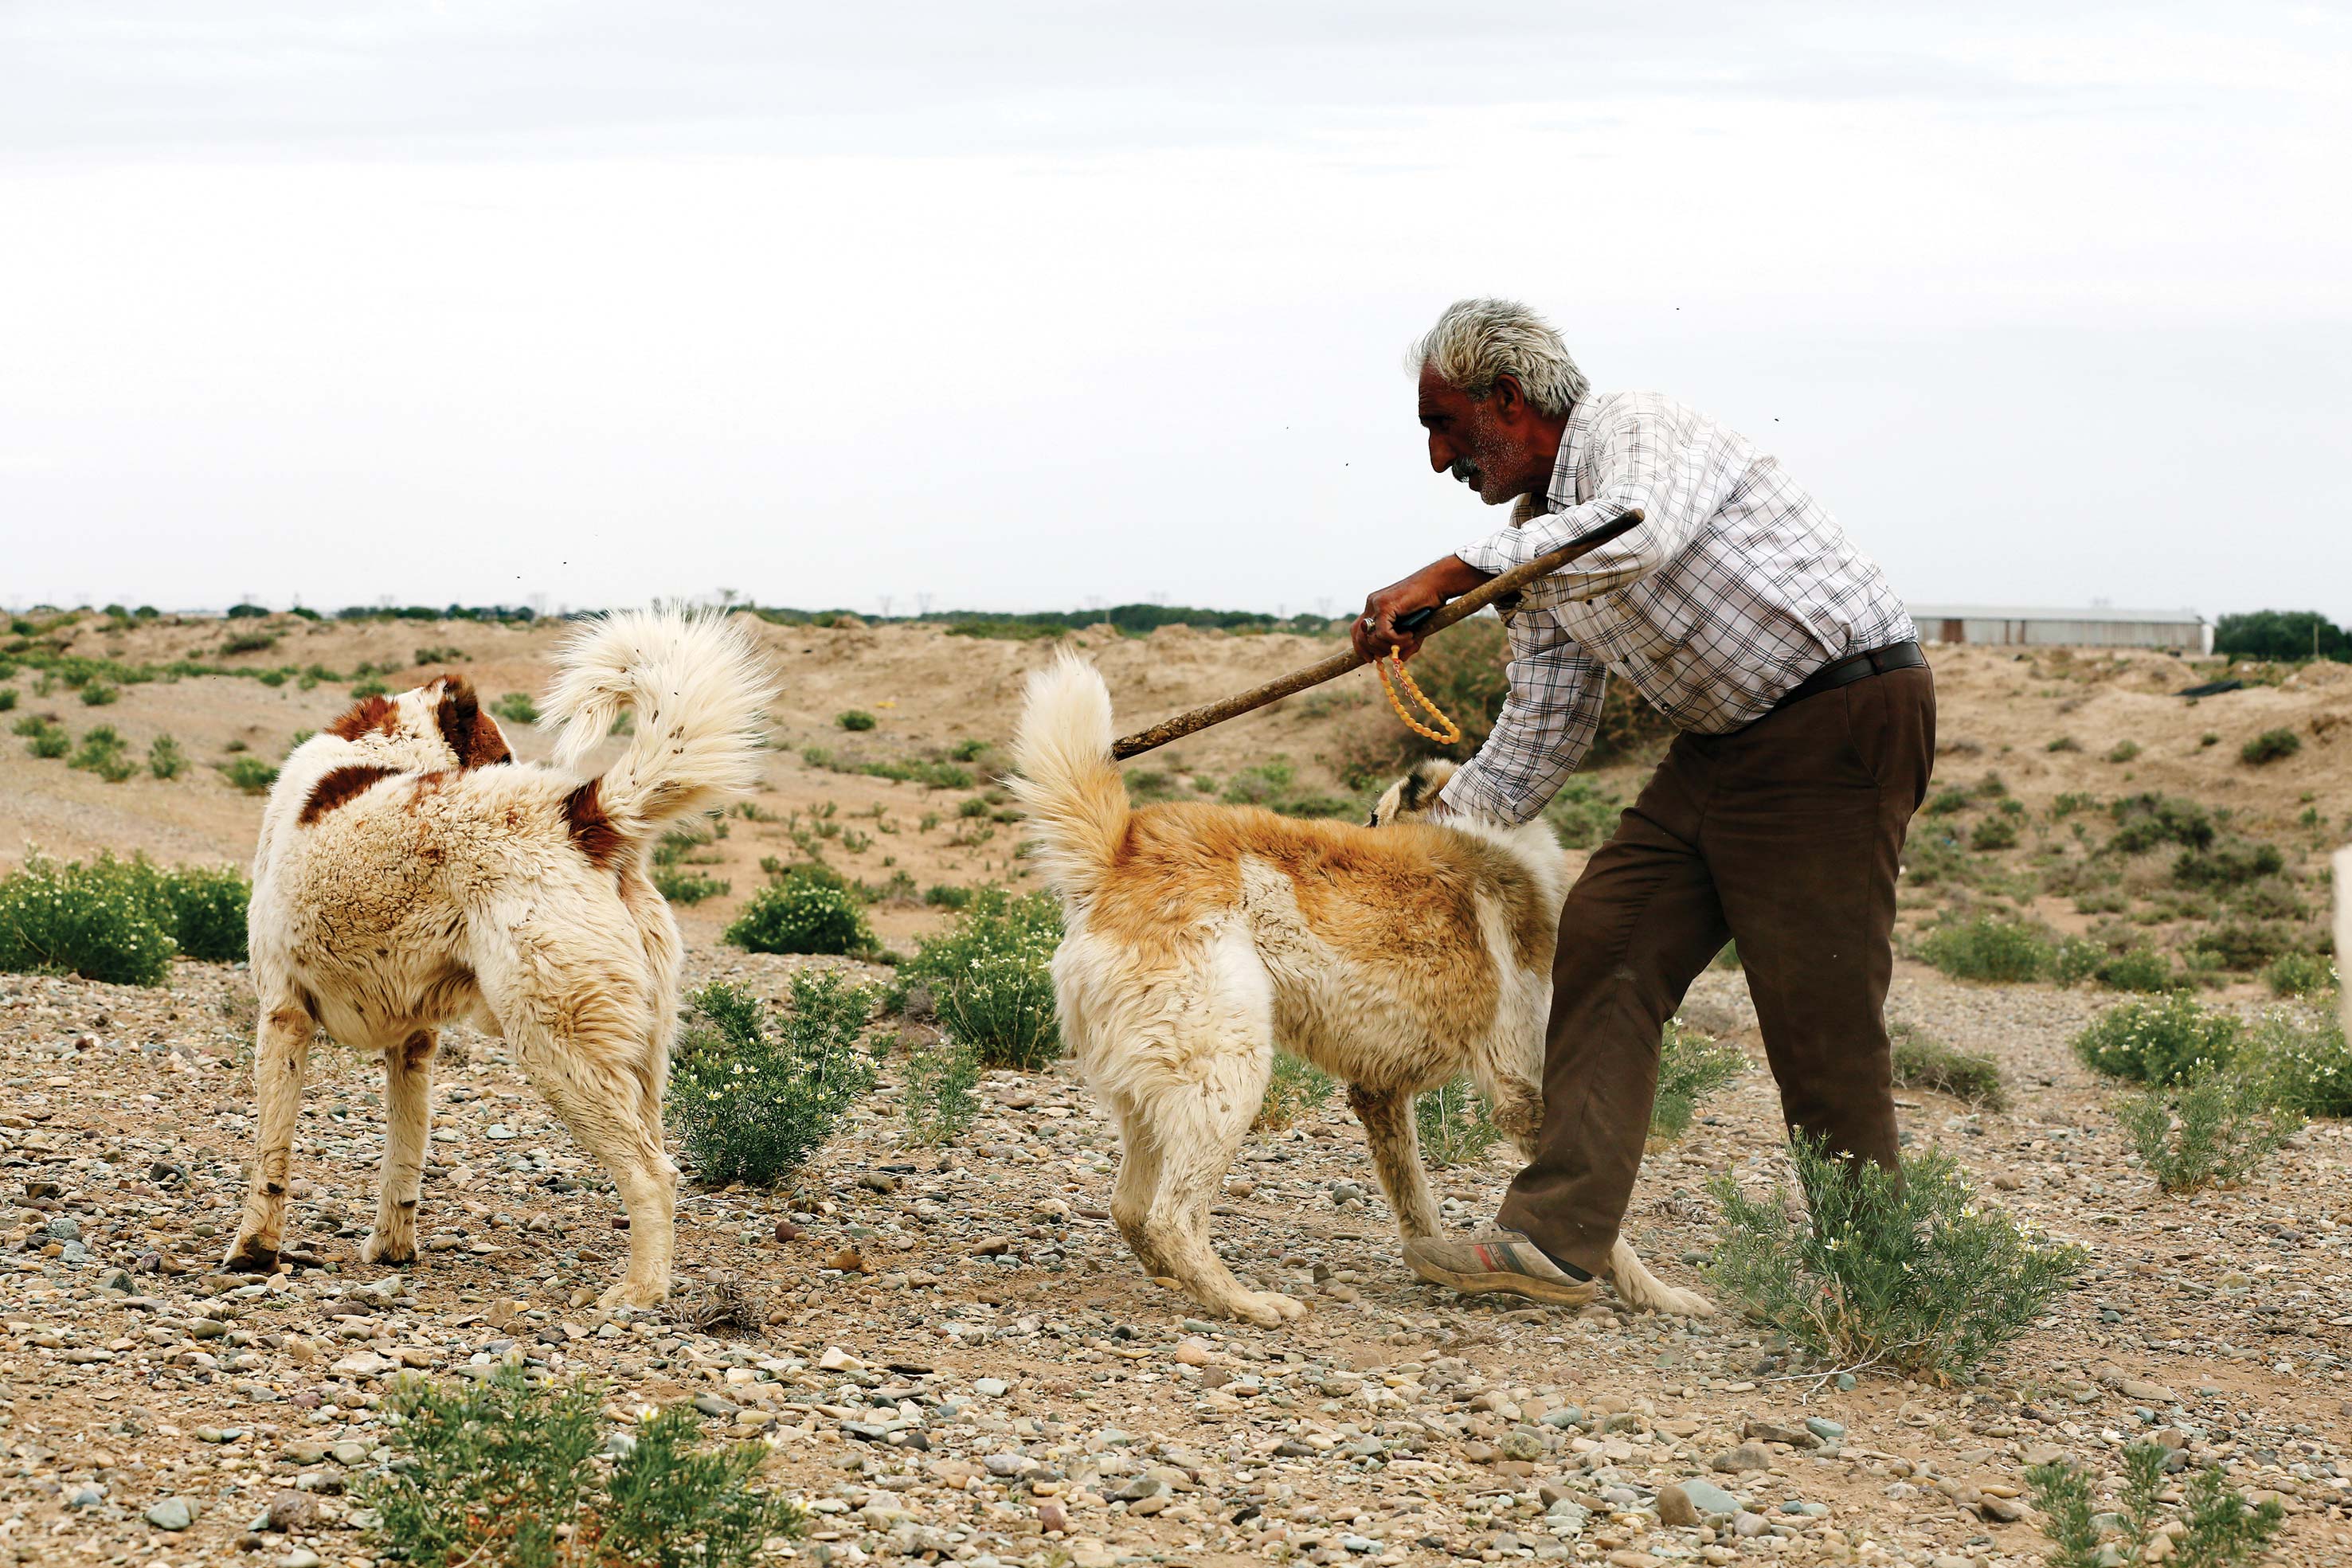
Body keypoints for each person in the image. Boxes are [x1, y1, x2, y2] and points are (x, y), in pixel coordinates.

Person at [1355, 298, 1934, 1307]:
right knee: (1609, 934)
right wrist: (1407, 850)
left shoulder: (1635, 430)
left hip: (1836, 718)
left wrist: (1453, 573)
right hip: (1723, 746)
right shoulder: (1534, 547)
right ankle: (1557, 1240)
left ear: (1507, 398)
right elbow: (1536, 738)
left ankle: (1884, 1284)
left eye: (1444, 426)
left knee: (1818, 1009)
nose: (1440, 458)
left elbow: (1636, 531)